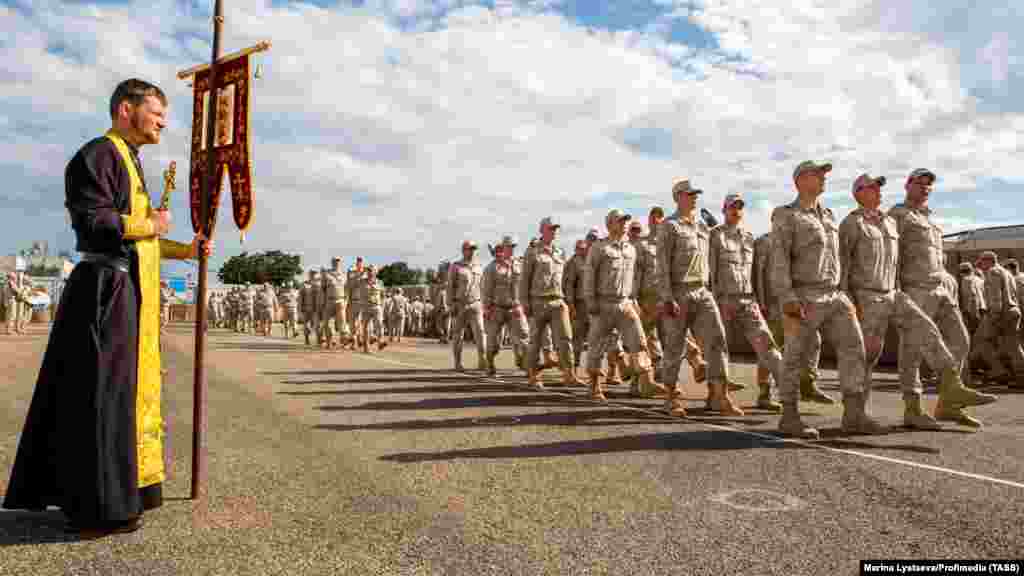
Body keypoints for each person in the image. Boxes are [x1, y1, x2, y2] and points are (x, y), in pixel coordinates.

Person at [4, 79, 212, 536]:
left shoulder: (130, 160)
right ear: (125, 109)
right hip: (104, 286)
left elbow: (144, 237)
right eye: (156, 112)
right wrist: (150, 223)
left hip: (125, 286)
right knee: (103, 395)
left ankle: (126, 492)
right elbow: (92, 221)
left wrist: (186, 249)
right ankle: (97, 505)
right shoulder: (96, 154)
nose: (162, 121)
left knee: (122, 394)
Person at [839, 174, 965, 430]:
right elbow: (843, 264)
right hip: (869, 294)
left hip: (894, 293)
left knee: (931, 332)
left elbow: (895, 262)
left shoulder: (889, 223)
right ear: (859, 192)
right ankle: (855, 415)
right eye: (872, 187)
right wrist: (849, 301)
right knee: (867, 355)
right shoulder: (855, 223)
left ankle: (952, 390)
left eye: (879, 187)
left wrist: (899, 289)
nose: (878, 191)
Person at [771, 161, 871, 438]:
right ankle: (789, 416)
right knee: (795, 355)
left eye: (824, 174)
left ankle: (854, 415)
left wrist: (846, 292)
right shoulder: (787, 215)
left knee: (854, 347)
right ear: (800, 180)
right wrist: (787, 296)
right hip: (804, 294)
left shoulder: (827, 215)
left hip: (835, 294)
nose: (824, 178)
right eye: (818, 174)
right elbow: (778, 258)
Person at [889, 169, 997, 427]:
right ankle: (912, 409)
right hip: (914, 288)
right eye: (920, 183)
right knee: (912, 350)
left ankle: (948, 404)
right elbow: (889, 255)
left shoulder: (932, 221)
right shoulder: (897, 215)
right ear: (907, 185)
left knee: (961, 340)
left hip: (940, 289)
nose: (925, 188)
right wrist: (896, 292)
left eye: (929, 185)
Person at [657, 180, 740, 417]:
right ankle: (671, 397)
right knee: (674, 347)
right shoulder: (669, 226)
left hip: (703, 291)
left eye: (696, 194)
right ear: (677, 197)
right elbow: (661, 264)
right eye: (689, 194)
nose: (694, 197)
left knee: (717, 341)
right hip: (678, 292)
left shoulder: (703, 227)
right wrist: (666, 297)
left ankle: (718, 395)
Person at [709, 193, 785, 412]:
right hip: (723, 298)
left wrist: (758, 299)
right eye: (732, 207)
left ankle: (785, 388)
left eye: (740, 207)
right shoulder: (715, 236)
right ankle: (715, 395)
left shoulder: (749, 238)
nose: (736, 210)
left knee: (766, 344)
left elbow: (754, 273)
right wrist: (713, 300)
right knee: (717, 347)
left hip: (747, 299)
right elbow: (710, 270)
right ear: (724, 210)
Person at [584, 209, 660, 401]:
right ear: (609, 224)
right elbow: (589, 276)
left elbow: (633, 277)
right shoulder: (599, 248)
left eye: (626, 220)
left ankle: (646, 381)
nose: (625, 223)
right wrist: (591, 301)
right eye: (620, 220)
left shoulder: (631, 249)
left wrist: (633, 299)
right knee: (596, 347)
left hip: (626, 303)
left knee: (639, 341)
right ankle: (594, 386)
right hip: (603, 304)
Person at [520, 217, 577, 388]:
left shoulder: (560, 252)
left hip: (558, 301)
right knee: (535, 341)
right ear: (542, 230)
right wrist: (525, 303)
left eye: (555, 229)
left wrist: (567, 299)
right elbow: (524, 280)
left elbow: (565, 279)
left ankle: (569, 374)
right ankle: (533, 375)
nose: (554, 231)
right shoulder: (532, 252)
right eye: (551, 228)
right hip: (538, 301)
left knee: (565, 338)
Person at [482, 235, 531, 376]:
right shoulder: (492, 267)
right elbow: (487, 289)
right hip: (497, 308)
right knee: (494, 342)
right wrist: (487, 307)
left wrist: (523, 303)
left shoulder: (519, 264)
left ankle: (527, 365)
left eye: (513, 247)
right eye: (509, 247)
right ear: (503, 248)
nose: (511, 249)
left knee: (524, 336)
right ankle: (490, 363)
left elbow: (524, 284)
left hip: (515, 308)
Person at [974, 251, 1024, 386]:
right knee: (1012, 345)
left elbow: (996, 298)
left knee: (985, 342)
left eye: (982, 264)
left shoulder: (993, 272)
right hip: (1012, 311)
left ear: (988, 261)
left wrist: (993, 318)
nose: (981, 268)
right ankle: (1013, 374)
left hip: (1002, 313)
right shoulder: (1006, 272)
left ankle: (1001, 372)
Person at [447, 240, 487, 371]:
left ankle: (482, 360)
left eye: (474, 249)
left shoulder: (479, 266)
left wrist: (485, 303)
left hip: (476, 303)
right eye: (470, 249)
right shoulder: (456, 266)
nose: (473, 251)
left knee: (480, 332)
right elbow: (450, 287)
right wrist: (451, 304)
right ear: (463, 250)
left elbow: (484, 287)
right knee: (458, 335)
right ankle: (458, 363)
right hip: (460, 305)